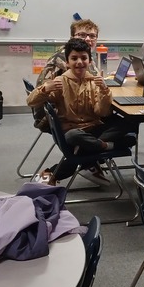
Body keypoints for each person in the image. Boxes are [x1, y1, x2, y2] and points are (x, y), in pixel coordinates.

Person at [26, 38, 133, 184]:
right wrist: (45, 88)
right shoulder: (60, 81)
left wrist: (104, 91)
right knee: (73, 136)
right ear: (67, 62)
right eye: (74, 58)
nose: (79, 62)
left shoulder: (94, 81)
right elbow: (31, 101)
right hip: (72, 131)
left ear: (89, 61)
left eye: (84, 58)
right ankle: (103, 147)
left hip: (92, 129)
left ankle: (86, 151)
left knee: (130, 122)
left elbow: (101, 112)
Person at [34, 19, 101, 129]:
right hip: (53, 115)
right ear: (72, 37)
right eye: (82, 35)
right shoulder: (66, 57)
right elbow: (91, 80)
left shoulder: (79, 54)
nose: (88, 39)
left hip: (59, 109)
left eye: (92, 36)